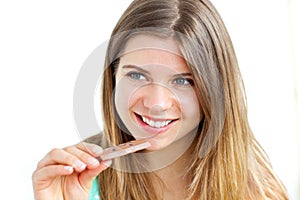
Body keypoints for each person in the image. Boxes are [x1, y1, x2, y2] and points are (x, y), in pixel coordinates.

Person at [32, 0, 289, 199]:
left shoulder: (260, 194)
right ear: (114, 76)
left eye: (183, 81)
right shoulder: (77, 183)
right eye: (137, 75)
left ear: (217, 90)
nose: (156, 103)